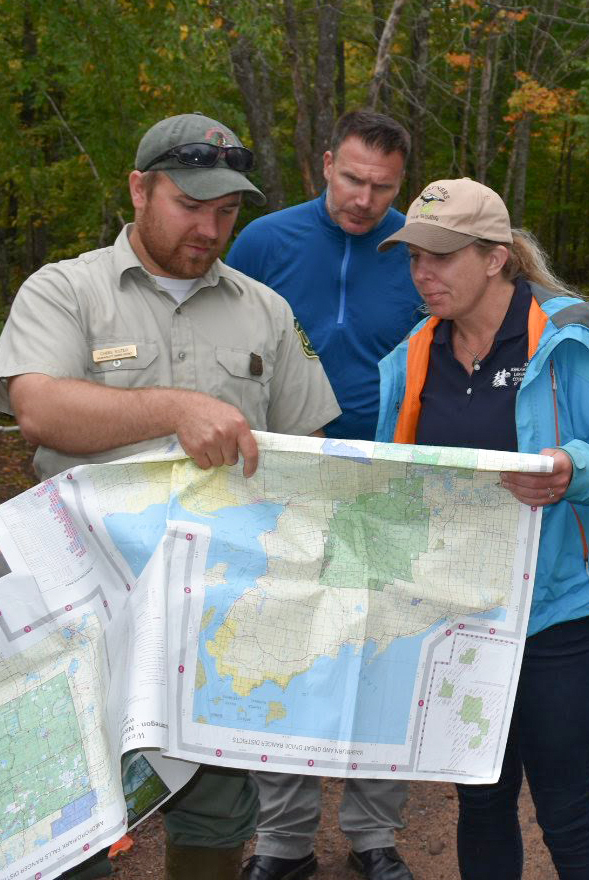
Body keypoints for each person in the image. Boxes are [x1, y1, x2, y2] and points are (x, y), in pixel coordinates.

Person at [0, 114, 340, 879]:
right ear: (138, 187)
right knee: (68, 826)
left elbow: (309, 453)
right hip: (75, 614)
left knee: (216, 821)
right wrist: (177, 409)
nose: (210, 227)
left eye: (226, 211)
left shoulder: (267, 311)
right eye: (191, 204)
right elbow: (40, 410)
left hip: (211, 618)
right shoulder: (66, 290)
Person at [373, 178, 589, 879]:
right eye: (413, 257)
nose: (423, 273)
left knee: (569, 816)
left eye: (441, 256)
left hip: (559, 616)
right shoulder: (413, 356)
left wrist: (571, 467)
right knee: (482, 807)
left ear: (495, 256)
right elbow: (389, 489)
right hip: (459, 617)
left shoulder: (568, 335)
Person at [227, 111, 424, 880]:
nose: (363, 200)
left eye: (381, 187)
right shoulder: (265, 241)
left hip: (392, 485)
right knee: (286, 649)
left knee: (384, 655)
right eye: (351, 179)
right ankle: (283, 843)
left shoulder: (416, 248)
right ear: (324, 164)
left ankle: (375, 833)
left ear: (399, 186)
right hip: (285, 479)